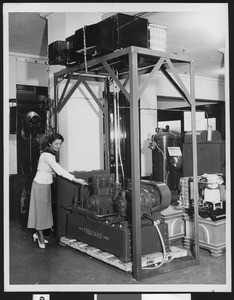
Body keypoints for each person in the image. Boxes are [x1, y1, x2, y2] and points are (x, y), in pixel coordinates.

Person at [27, 133, 87, 249]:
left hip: (45, 185)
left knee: (44, 212)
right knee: (40, 212)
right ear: (50, 144)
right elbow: (59, 170)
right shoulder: (47, 155)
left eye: (60, 144)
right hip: (39, 185)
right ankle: (40, 237)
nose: (58, 146)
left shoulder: (50, 154)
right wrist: (75, 179)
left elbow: (52, 170)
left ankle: (37, 234)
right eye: (56, 144)